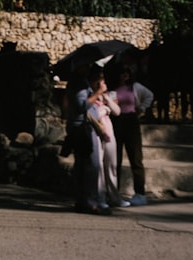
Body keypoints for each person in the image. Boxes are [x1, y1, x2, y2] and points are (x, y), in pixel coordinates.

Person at [65, 64, 110, 215]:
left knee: (82, 166)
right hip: (82, 127)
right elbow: (81, 105)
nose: (88, 68)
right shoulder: (78, 84)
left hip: (79, 126)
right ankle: (90, 202)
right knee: (92, 165)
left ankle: (82, 200)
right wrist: (98, 92)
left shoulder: (78, 82)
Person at [112, 66, 154, 206]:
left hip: (131, 121)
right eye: (121, 72)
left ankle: (140, 193)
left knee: (136, 158)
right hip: (117, 122)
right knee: (115, 159)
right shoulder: (113, 90)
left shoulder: (135, 87)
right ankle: (114, 193)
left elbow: (149, 95)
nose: (124, 75)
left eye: (126, 72)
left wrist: (142, 108)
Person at [89, 69, 126, 209]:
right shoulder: (90, 96)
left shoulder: (108, 95)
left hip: (109, 134)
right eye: (98, 80)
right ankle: (100, 197)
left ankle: (114, 196)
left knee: (111, 165)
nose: (100, 83)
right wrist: (105, 110)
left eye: (102, 80)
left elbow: (117, 111)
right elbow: (95, 115)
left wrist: (107, 100)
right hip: (97, 133)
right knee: (99, 166)